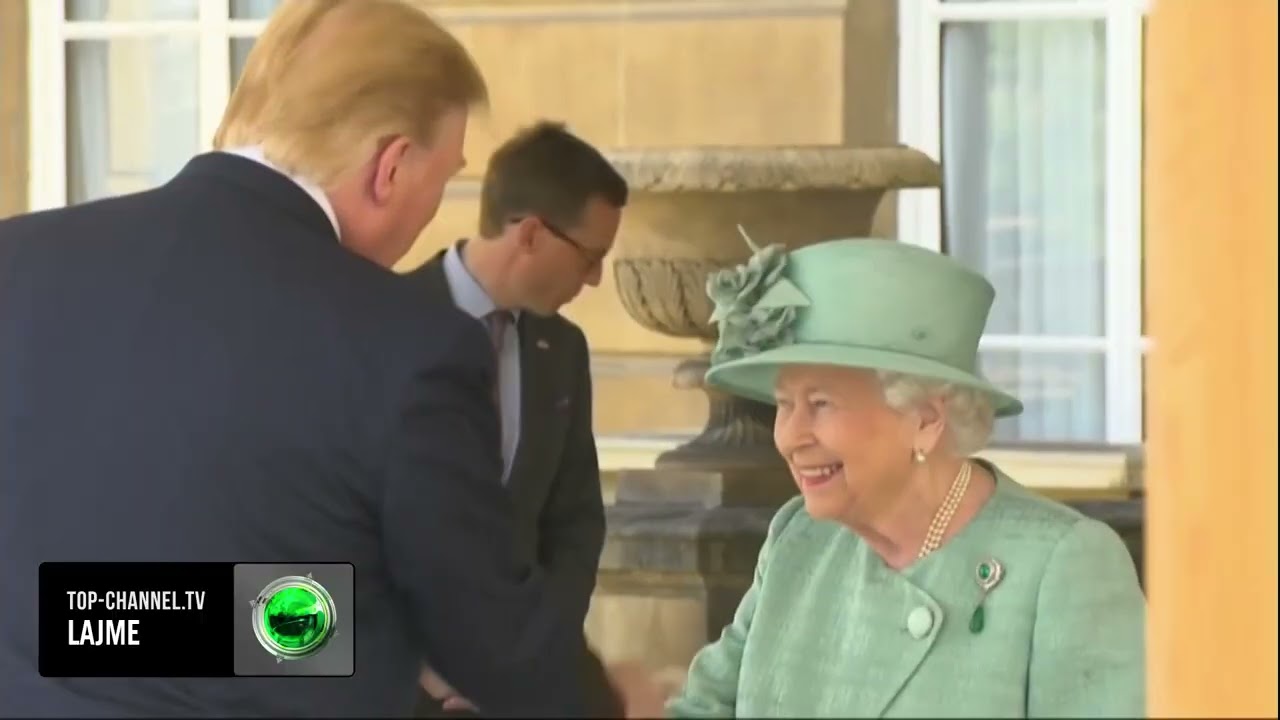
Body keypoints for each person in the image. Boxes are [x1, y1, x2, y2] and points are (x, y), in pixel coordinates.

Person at [0, 0, 626, 716]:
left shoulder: (15, 264)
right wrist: (613, 701)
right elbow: (491, 639)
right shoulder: (406, 342)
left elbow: (121, 618)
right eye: (445, 177)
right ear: (391, 167)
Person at [664, 236, 1147, 717]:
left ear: (925, 420)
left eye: (821, 404)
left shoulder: (1065, 564)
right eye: (784, 404)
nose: (790, 437)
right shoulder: (800, 541)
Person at [403, 121, 629, 717]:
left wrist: (534, 653)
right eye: (590, 257)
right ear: (530, 234)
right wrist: (422, 669)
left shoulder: (563, 350)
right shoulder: (383, 322)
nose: (594, 279)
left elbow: (574, 520)